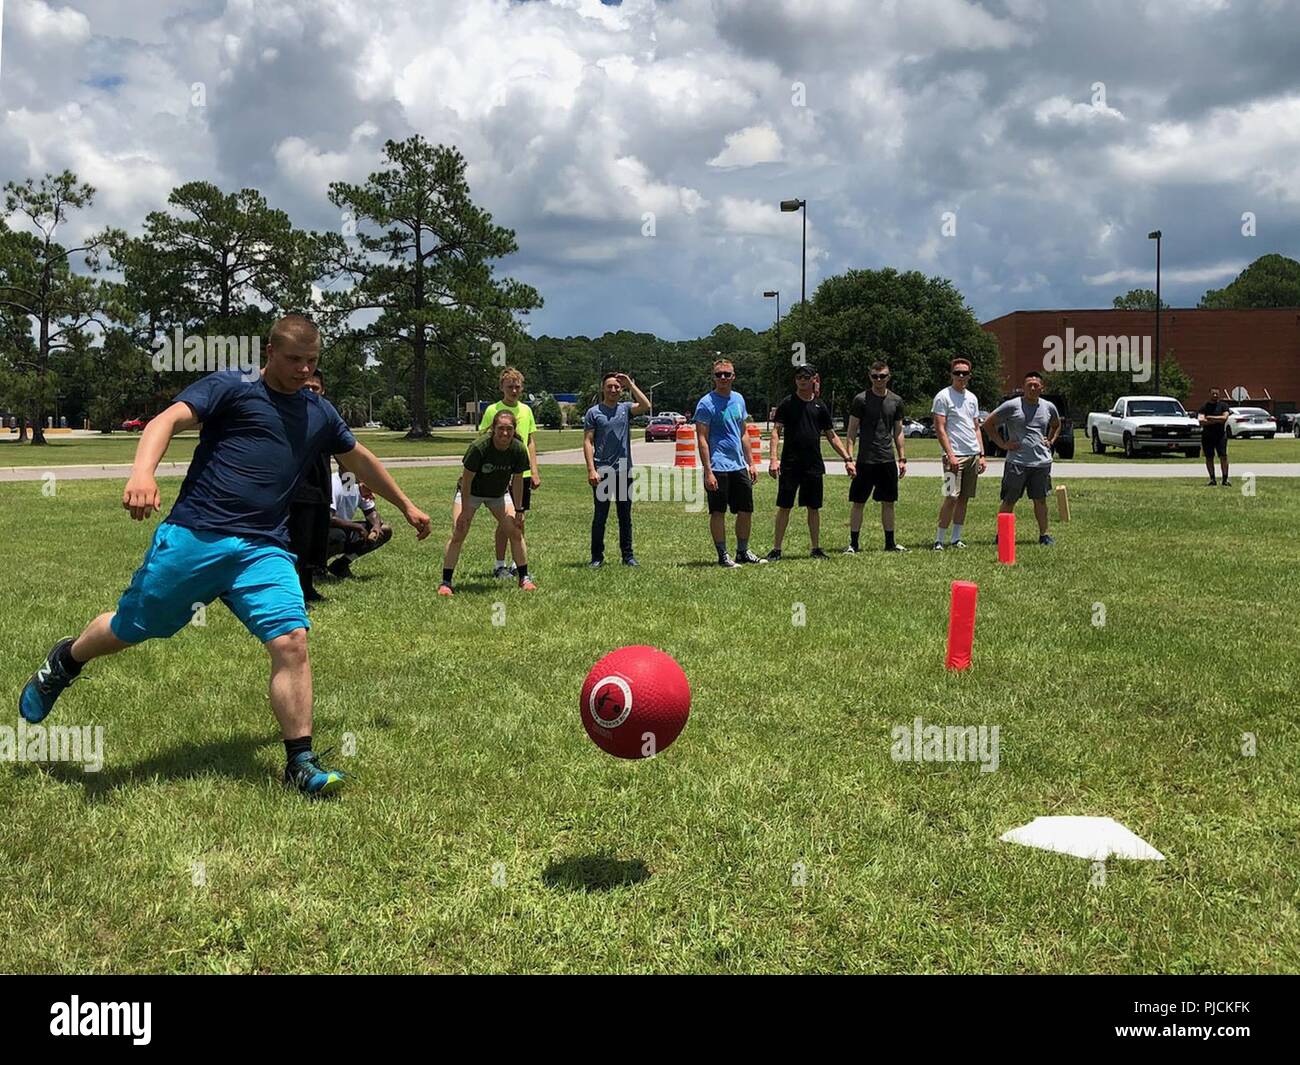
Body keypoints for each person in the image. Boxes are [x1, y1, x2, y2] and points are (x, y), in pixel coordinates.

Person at [17, 315, 432, 796]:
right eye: (294, 360)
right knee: (133, 627)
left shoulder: (318, 412)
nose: (303, 371)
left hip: (263, 547)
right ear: (270, 353)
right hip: (197, 535)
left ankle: (300, 762)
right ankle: (66, 660)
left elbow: (358, 458)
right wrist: (142, 474)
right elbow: (166, 420)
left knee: (292, 640)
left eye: (312, 361)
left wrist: (406, 505)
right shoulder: (233, 386)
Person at [439, 410, 535, 595]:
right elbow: (466, 481)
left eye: (509, 429)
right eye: (501, 428)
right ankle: (446, 582)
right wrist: (466, 511)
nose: (505, 433)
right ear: (493, 428)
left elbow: (517, 481)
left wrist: (519, 509)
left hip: (498, 494)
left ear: (514, 430)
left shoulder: (518, 449)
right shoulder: (479, 447)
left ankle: (524, 578)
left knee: (515, 531)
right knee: (459, 531)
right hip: (471, 493)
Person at [766, 364, 854, 561]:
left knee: (813, 507)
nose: (802, 380)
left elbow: (831, 436)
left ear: (814, 379)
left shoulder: (819, 406)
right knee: (784, 506)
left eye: (806, 377)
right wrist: (773, 459)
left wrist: (847, 459)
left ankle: (815, 548)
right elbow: (775, 432)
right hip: (790, 463)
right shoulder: (787, 403)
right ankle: (776, 549)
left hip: (813, 464)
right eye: (798, 377)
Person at [695, 358, 764, 567]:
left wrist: (750, 463)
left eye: (726, 374)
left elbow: (743, 432)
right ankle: (723, 555)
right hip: (717, 466)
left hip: (738, 465)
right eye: (719, 375)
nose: (723, 378)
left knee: (746, 509)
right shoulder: (706, 403)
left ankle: (742, 551)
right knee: (718, 512)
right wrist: (708, 471)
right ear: (713, 377)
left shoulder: (739, 399)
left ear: (733, 376)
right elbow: (702, 438)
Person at [984, 370, 1061, 546]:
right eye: (1029, 385)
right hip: (1016, 462)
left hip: (1041, 463)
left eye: (1036, 385)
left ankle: (1044, 535)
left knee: (1040, 500)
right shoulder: (1012, 406)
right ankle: (1002, 535)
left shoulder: (1049, 406)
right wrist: (1002, 445)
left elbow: (1056, 425)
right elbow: (988, 423)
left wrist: (1050, 440)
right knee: (1009, 500)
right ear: (1023, 387)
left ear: (1042, 387)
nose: (1033, 388)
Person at [478, 367, 540, 578]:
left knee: (518, 520)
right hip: (499, 474)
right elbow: (483, 439)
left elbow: (530, 441)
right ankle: (499, 564)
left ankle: (517, 563)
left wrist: (534, 470)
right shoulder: (492, 410)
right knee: (505, 521)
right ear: (501, 388)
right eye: (509, 386)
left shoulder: (526, 410)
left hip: (520, 474)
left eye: (517, 387)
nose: (514, 390)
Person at [583, 372, 650, 567]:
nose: (613, 389)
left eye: (617, 387)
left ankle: (628, 556)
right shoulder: (594, 412)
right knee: (600, 517)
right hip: (602, 472)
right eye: (609, 386)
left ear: (621, 390)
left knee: (625, 516)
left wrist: (631, 385)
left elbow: (646, 405)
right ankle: (597, 558)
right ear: (603, 388)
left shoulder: (626, 409)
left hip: (624, 471)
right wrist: (591, 469)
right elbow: (588, 441)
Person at [845, 361, 908, 553]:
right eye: (875, 376)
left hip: (887, 459)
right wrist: (849, 459)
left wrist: (902, 458)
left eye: (882, 376)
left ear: (889, 377)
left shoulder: (896, 401)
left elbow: (898, 431)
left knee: (888, 502)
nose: (878, 380)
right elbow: (852, 430)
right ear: (869, 376)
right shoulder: (861, 399)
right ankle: (853, 544)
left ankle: (890, 543)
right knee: (858, 502)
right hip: (865, 460)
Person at [931, 357, 987, 550]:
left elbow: (976, 427)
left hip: (972, 454)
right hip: (953, 455)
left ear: (969, 376)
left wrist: (981, 454)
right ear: (951, 374)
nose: (961, 376)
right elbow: (940, 428)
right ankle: (939, 539)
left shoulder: (972, 398)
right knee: (951, 496)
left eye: (964, 373)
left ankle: (956, 538)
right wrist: (950, 454)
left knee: (964, 497)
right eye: (957, 373)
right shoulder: (943, 396)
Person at [286, 369, 332, 602]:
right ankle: (295, 594)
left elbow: (344, 450)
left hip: (321, 486)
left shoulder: (326, 416)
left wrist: (359, 479)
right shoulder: (291, 415)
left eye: (315, 388)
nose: (311, 391)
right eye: (307, 387)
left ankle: (308, 588)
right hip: (298, 489)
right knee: (298, 544)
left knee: (315, 542)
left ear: (323, 390)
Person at [325, 469, 392, 578]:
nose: (373, 494)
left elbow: (371, 512)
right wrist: (357, 527)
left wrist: (375, 526)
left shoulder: (352, 485)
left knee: (384, 530)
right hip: (321, 531)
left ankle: (340, 565)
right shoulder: (334, 483)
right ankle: (316, 567)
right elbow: (327, 519)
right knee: (338, 536)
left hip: (343, 529)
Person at [1198, 387, 1231, 486]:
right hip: (1207, 436)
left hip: (1220, 436)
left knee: (1223, 457)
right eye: (1213, 393)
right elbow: (1201, 421)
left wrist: (1210, 418)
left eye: (1217, 393)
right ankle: (1212, 479)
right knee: (1209, 457)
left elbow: (1224, 418)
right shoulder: (1204, 407)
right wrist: (1217, 420)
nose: (1215, 395)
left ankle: (1225, 479)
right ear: (1209, 394)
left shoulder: (1223, 406)